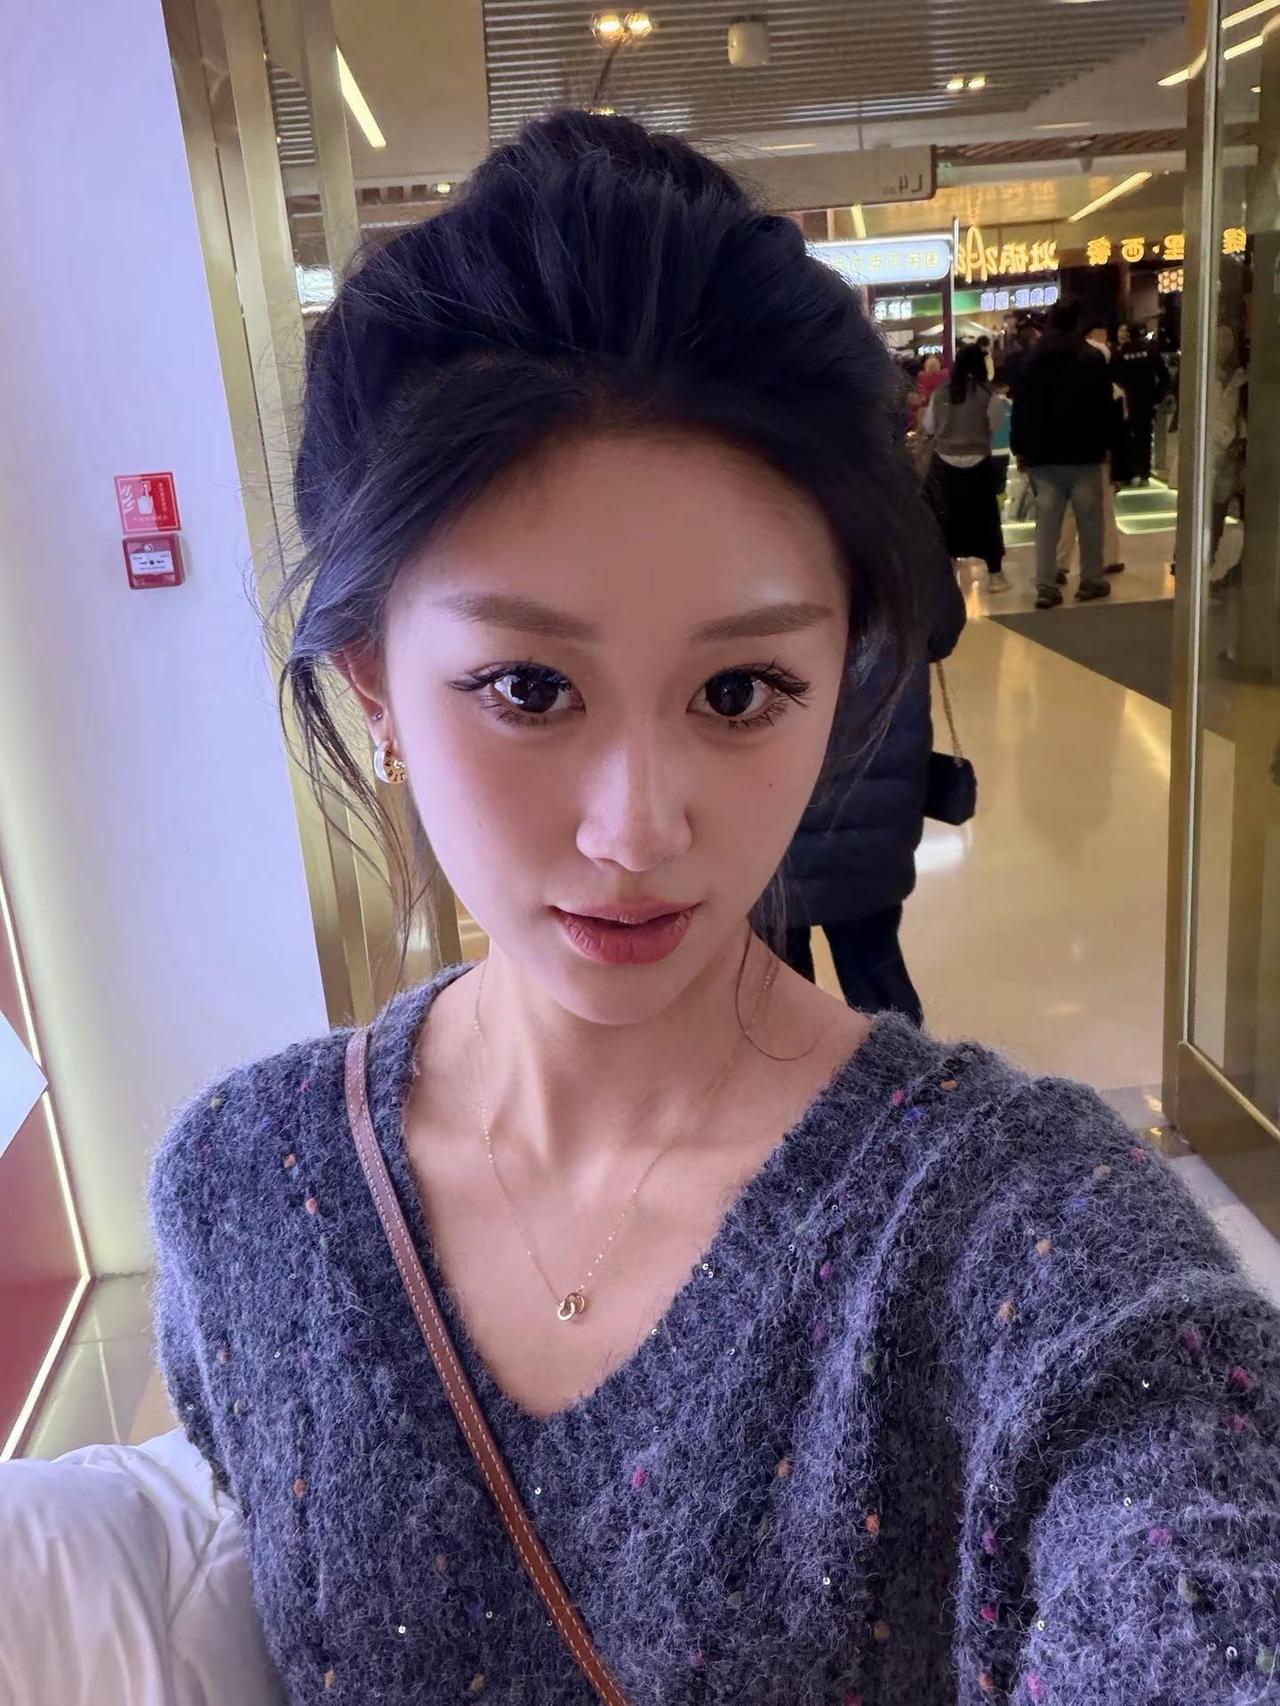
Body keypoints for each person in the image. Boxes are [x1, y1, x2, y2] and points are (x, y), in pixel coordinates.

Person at [7, 112, 1280, 1706]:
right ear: (374, 681)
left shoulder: (1015, 1233)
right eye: (528, 687)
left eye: (740, 691)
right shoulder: (247, 1193)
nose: (636, 828)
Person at [781, 533, 965, 1026]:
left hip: (778, 786)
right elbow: (944, 629)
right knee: (875, 964)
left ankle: (792, 1071)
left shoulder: (753, 505)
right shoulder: (900, 517)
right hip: (881, 774)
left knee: (778, 982)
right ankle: (903, 1073)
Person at [1011, 298, 1115, 608]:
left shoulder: (1032, 361)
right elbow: (1104, 408)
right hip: (1084, 452)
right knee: (1089, 521)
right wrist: (1108, 446)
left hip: (1042, 455)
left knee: (1047, 523)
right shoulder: (1092, 358)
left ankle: (1046, 585)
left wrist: (1020, 448)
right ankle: (1091, 579)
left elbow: (1021, 408)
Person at [923, 340, 1011, 593]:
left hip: (944, 464)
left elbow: (930, 426)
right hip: (978, 464)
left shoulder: (941, 392)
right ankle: (995, 576)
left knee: (946, 521)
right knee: (986, 520)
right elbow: (995, 424)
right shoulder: (986, 393)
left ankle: (947, 576)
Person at [1055, 321, 1128, 580]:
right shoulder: (1114, 392)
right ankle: (1111, 557)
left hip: (1069, 456)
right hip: (1098, 457)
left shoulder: (1064, 388)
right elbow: (1117, 429)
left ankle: (1060, 562)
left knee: (1069, 511)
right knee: (1104, 508)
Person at [1114, 322, 1170, 485]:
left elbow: (1113, 378)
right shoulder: (1149, 351)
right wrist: (1157, 396)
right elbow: (1163, 375)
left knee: (1126, 438)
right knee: (1144, 437)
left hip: (1125, 401)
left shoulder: (1119, 354)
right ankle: (1144, 472)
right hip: (1145, 401)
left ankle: (1127, 474)